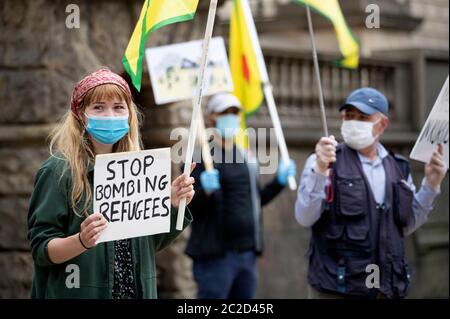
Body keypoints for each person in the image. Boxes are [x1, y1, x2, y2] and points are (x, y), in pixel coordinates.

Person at [27, 68, 196, 299]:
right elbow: (41, 249)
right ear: (80, 115)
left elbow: (148, 245)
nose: (110, 115)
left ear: (129, 115)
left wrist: (175, 205)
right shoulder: (58, 170)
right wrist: (81, 241)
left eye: (118, 107)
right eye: (98, 107)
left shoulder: (139, 170)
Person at [295, 87, 447, 299]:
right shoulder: (324, 161)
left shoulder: (399, 168)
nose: (353, 122)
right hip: (336, 290)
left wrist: (431, 185)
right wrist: (320, 170)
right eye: (349, 116)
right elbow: (304, 216)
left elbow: (407, 224)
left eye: (363, 117)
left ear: (382, 124)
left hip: (385, 290)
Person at [186, 93, 297, 299]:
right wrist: (204, 191)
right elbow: (188, 208)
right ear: (211, 117)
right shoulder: (200, 158)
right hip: (215, 257)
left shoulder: (246, 156)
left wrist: (278, 183)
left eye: (235, 112)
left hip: (247, 254)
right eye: (225, 112)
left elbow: (255, 200)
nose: (231, 117)